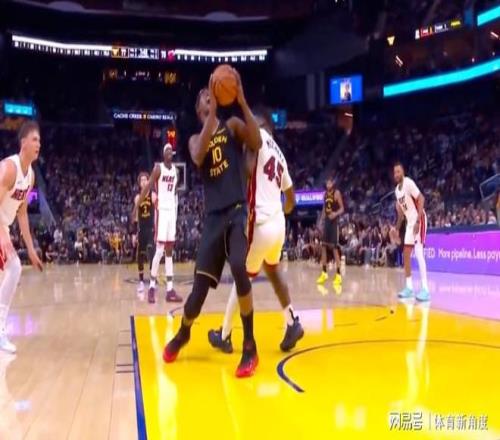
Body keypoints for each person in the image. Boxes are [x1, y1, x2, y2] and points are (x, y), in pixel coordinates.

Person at [163, 69, 261, 378]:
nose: (209, 96)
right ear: (199, 110)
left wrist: (241, 101)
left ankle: (249, 346)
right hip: (213, 218)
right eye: (204, 97)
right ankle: (184, 333)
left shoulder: (232, 126)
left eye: (211, 94)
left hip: (237, 210)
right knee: (197, 295)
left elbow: (257, 140)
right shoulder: (196, 138)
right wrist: (212, 116)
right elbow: (197, 156)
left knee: (239, 266)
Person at [208, 110, 304, 354]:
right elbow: (291, 200)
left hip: (260, 224)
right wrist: (277, 211)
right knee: (273, 271)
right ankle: (292, 321)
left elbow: (248, 170)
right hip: (278, 224)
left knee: (241, 276)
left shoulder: (256, 138)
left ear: (261, 124)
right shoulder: (280, 155)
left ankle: (225, 334)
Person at [0, 121, 44, 353]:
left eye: (39, 140)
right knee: (14, 267)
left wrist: (32, 250)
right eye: (35, 139)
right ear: (23, 142)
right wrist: (2, 235)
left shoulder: (31, 177)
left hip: (3, 226)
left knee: (11, 269)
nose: (39, 144)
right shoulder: (9, 168)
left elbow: (22, 213)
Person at [136, 144, 182, 303]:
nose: (170, 153)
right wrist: (136, 206)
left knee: (170, 250)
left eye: (171, 151)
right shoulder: (158, 168)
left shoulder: (176, 171)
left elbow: (175, 193)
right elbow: (148, 188)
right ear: (163, 154)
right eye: (167, 151)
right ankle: (151, 286)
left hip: (171, 212)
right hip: (161, 211)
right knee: (160, 249)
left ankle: (170, 289)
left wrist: (176, 213)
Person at [391, 162, 429, 301]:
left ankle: (425, 289)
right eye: (395, 172)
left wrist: (418, 221)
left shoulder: (408, 183)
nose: (396, 174)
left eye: (398, 171)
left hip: (419, 219)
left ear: (403, 172)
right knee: (406, 254)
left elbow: (421, 198)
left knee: (418, 253)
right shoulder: (397, 191)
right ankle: (409, 287)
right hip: (409, 222)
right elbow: (401, 214)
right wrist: (396, 228)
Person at [317, 176, 344, 286]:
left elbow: (342, 208)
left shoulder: (337, 193)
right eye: (327, 183)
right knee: (323, 247)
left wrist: (335, 214)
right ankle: (324, 273)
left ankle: (338, 275)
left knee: (334, 248)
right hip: (327, 223)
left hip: (334, 223)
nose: (328, 184)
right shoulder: (324, 194)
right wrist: (321, 221)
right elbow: (324, 208)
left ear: (333, 183)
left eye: (330, 182)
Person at [132, 172, 156, 294]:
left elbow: (157, 212)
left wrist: (158, 228)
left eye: (145, 179)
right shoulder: (137, 198)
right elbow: (136, 216)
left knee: (152, 254)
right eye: (141, 180)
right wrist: (133, 233)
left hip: (151, 229)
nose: (143, 182)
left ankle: (152, 282)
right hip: (141, 230)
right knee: (140, 255)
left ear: (148, 181)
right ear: (139, 183)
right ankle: (141, 281)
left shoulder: (153, 195)